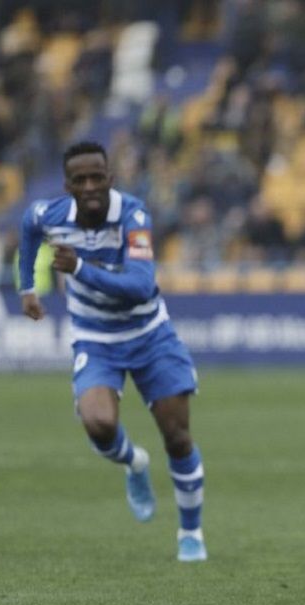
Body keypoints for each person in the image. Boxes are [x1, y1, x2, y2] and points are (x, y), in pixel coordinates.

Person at [19, 142, 207, 562]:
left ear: (110, 179)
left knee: (177, 437)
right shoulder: (48, 215)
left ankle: (190, 534)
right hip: (95, 338)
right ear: (67, 185)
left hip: (149, 334)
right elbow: (28, 228)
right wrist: (27, 287)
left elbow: (141, 284)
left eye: (96, 177)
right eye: (79, 180)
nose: (89, 186)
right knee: (99, 424)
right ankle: (134, 463)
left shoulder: (133, 214)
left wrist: (82, 268)